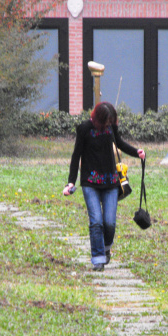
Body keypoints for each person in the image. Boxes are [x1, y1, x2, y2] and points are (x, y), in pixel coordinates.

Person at [63, 102, 146, 272]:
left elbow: (120, 143)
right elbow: (76, 155)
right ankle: (98, 259)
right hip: (90, 182)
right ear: (99, 119)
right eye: (107, 121)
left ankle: (106, 247)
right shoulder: (84, 128)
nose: (109, 124)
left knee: (109, 223)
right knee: (96, 222)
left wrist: (137, 152)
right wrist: (71, 181)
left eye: (111, 121)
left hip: (110, 182)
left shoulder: (111, 128)